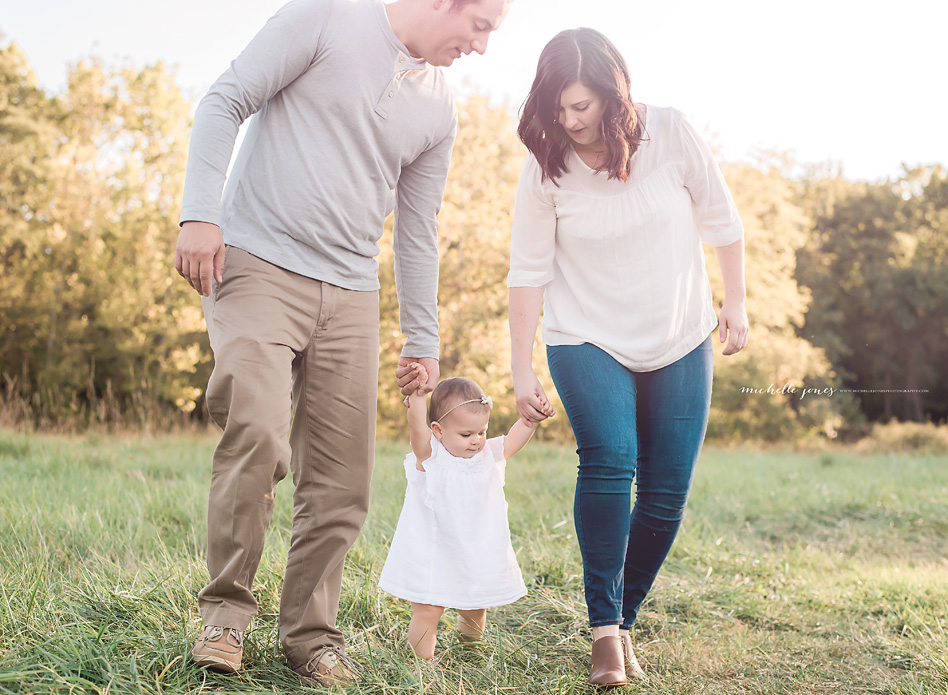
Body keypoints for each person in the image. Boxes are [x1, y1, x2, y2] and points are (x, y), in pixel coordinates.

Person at [174, 0, 512, 686]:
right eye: (479, 26)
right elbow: (224, 99)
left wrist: (424, 336)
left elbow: (418, 227)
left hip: (351, 292)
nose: (481, 47)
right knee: (259, 434)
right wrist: (199, 212)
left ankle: (310, 635)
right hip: (257, 262)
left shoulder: (439, 111)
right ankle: (225, 616)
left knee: (343, 481)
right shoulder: (326, 16)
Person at [507, 28, 749, 687]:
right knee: (611, 457)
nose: (569, 120)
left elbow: (724, 221)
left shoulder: (672, 134)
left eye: (581, 106)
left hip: (678, 334)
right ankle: (603, 634)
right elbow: (527, 272)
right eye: (558, 108)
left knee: (667, 491)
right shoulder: (546, 167)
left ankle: (623, 614)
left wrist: (736, 302)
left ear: (616, 98)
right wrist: (521, 364)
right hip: (585, 336)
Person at [378, 368, 554, 660]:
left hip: (475, 549)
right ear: (438, 430)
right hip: (433, 551)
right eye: (466, 434)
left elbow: (512, 440)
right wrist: (418, 397)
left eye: (481, 432)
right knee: (428, 608)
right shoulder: (430, 455)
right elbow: (416, 429)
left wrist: (530, 421)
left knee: (475, 605)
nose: (476, 440)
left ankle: (470, 651)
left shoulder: (487, 455)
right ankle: (423, 665)